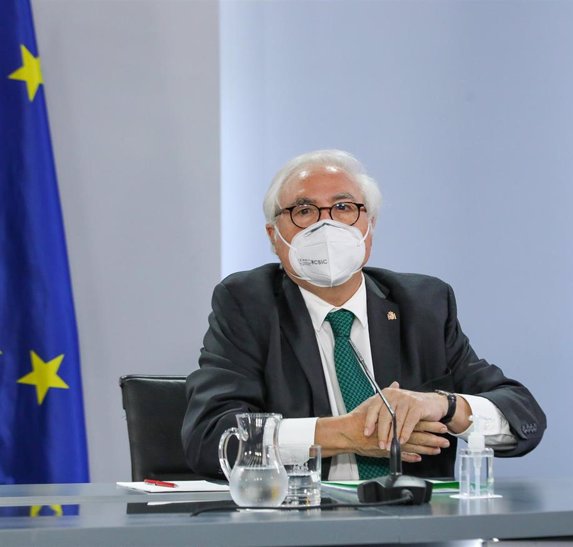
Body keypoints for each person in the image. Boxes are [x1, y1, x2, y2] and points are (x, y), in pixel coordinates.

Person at [182, 149, 546, 480]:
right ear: (274, 236)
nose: (326, 226)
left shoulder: (423, 303)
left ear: (369, 227)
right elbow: (211, 437)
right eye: (304, 211)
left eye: (343, 208)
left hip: (414, 528)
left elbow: (523, 417)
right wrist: (342, 434)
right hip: (302, 528)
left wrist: (444, 405)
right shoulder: (248, 303)